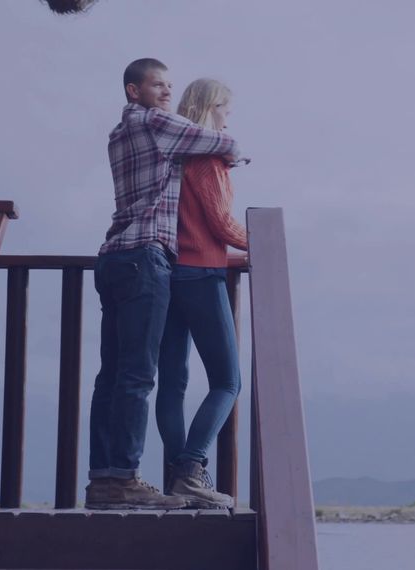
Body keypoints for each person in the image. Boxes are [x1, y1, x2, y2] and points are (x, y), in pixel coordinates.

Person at [86, 59, 239, 510]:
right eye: (158, 84)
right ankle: (135, 478)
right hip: (147, 259)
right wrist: (233, 152)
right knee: (139, 376)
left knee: (111, 377)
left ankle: (104, 481)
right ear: (134, 91)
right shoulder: (156, 124)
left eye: (171, 85)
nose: (167, 91)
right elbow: (221, 141)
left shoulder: (118, 133)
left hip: (113, 256)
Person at [156, 78, 247, 509]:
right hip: (201, 273)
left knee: (172, 383)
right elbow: (222, 225)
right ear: (212, 107)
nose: (230, 117)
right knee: (228, 381)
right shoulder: (208, 160)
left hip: (167, 273)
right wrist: (266, 241)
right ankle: (191, 469)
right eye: (227, 109)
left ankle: (177, 479)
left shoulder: (174, 156)